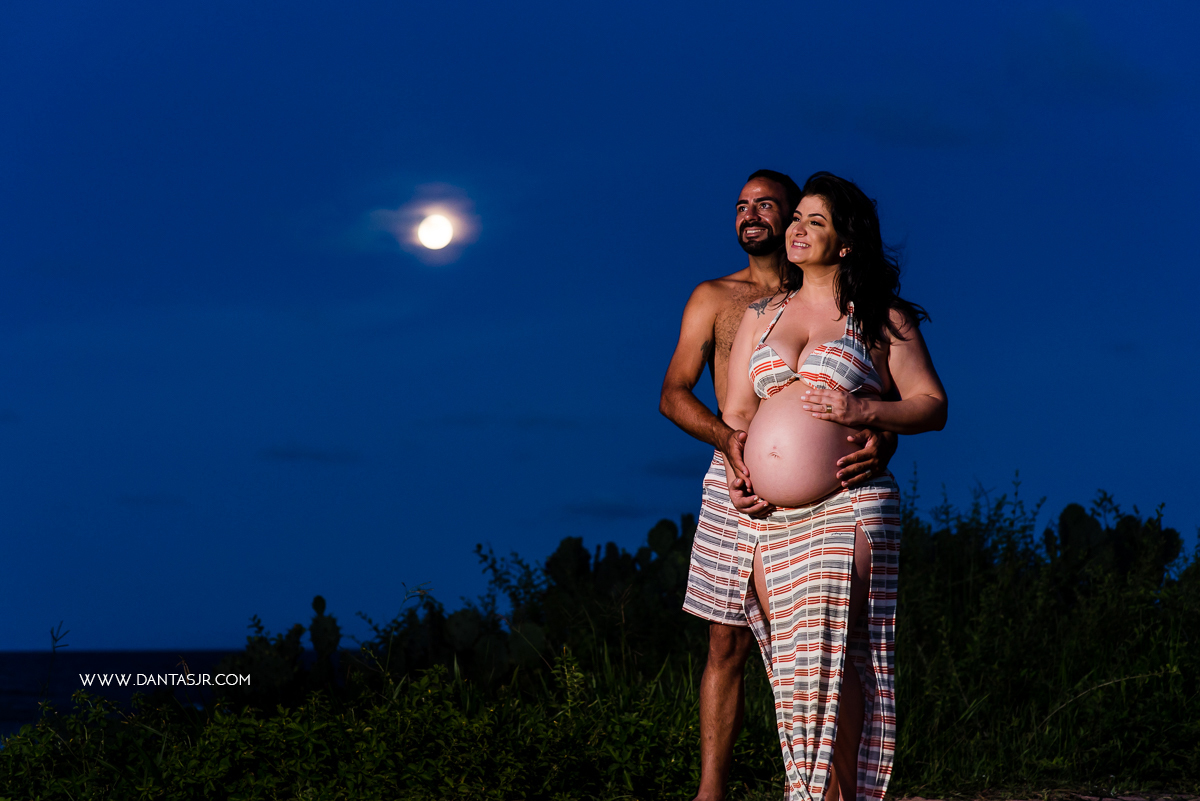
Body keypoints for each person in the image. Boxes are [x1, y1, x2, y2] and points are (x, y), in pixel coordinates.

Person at [659, 169, 898, 801]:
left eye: (768, 205)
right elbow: (673, 393)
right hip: (736, 474)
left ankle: (827, 781)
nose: (752, 215)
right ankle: (712, 791)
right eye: (742, 205)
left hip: (829, 493)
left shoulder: (835, 298)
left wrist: (882, 437)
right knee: (726, 637)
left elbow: (877, 390)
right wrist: (729, 445)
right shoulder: (718, 297)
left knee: (818, 643)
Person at [721, 171, 948, 801]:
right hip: (769, 519)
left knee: (837, 663)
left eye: (814, 221)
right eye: (796, 218)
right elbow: (737, 414)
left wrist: (866, 411)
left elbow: (932, 404)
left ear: (845, 242)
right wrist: (739, 472)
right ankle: (812, 793)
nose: (796, 229)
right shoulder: (760, 317)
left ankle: (840, 796)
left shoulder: (881, 317)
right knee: (794, 672)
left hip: (849, 505)